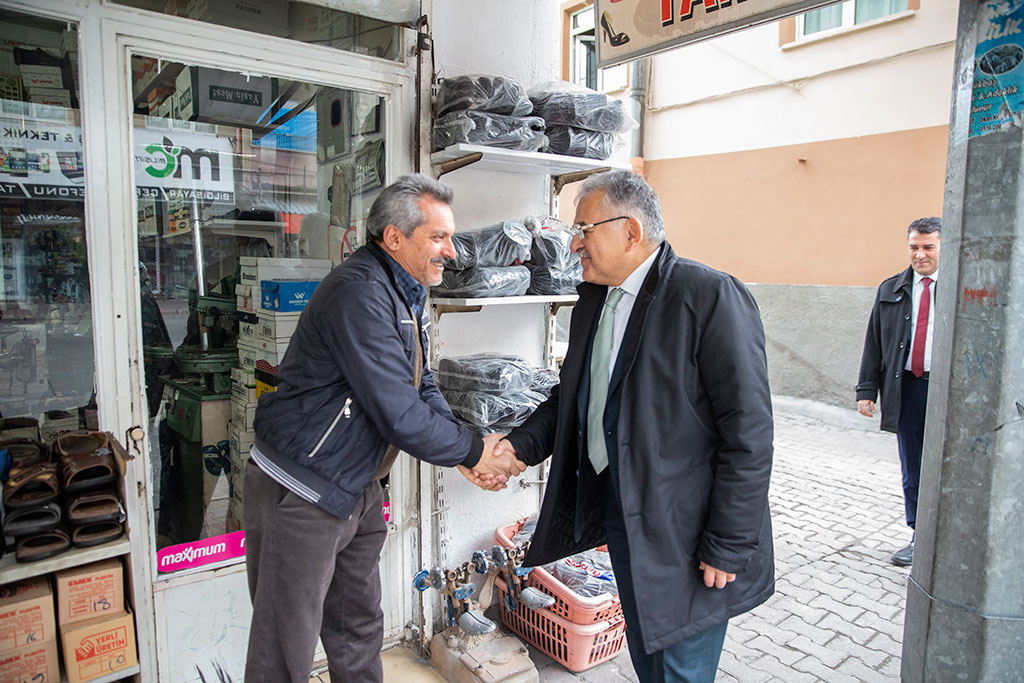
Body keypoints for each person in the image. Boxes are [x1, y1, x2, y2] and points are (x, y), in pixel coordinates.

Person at [485, 170, 775, 683]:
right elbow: (572, 399)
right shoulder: (597, 301)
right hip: (626, 520)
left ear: (631, 231)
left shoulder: (708, 296)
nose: (573, 245)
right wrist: (515, 449)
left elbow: (749, 435)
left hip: (689, 533)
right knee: (648, 656)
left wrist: (728, 543)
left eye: (583, 230)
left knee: (681, 668)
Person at [243, 174, 523, 683]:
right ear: (394, 237)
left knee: (358, 627)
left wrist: (466, 451)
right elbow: (398, 412)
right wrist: (473, 452)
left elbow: (422, 383)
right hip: (303, 488)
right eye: (438, 237)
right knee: (283, 649)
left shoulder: (406, 291)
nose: (451, 250)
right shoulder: (359, 293)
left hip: (358, 484)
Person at [856, 216, 941, 567]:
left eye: (928, 247)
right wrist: (866, 390)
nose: (920, 255)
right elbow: (874, 342)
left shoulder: (963, 287)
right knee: (913, 466)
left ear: (943, 247)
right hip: (909, 388)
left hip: (949, 391)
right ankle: (919, 535)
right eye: (914, 248)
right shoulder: (891, 289)